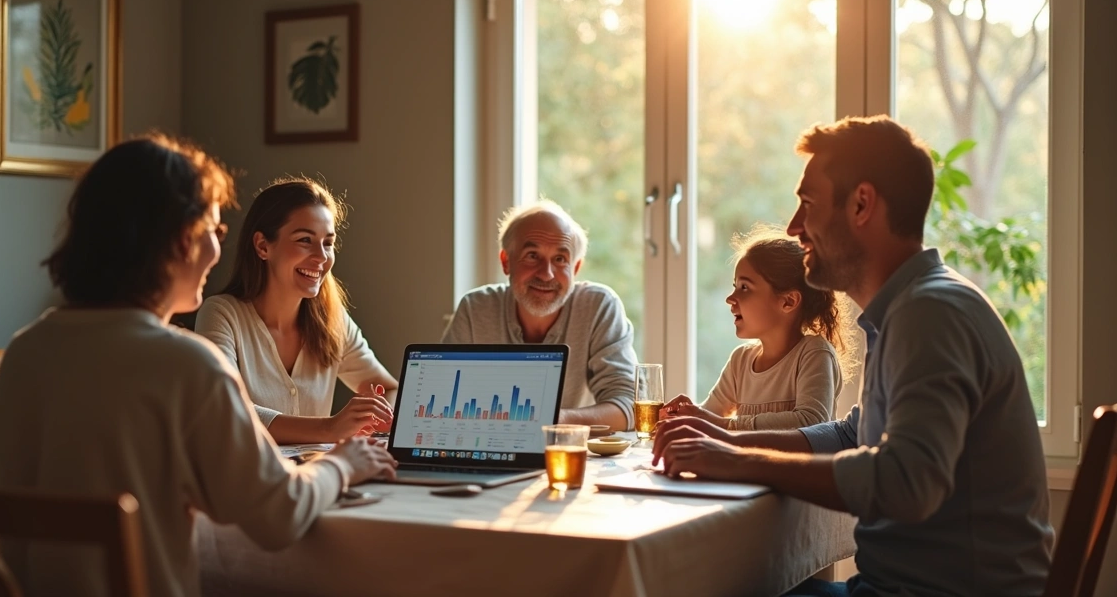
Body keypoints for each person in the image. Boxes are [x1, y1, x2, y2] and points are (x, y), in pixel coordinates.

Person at [652, 116, 1053, 596]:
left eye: (808, 204)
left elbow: (907, 482)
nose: (794, 227)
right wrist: (726, 440)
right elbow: (849, 433)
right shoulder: (912, 310)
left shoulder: (930, 315)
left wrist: (737, 461)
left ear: (862, 204)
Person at [0, 135, 397, 596]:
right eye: (213, 232)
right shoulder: (186, 365)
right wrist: (342, 464)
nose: (217, 251)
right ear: (182, 240)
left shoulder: (27, 350)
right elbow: (278, 517)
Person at [195, 177, 397, 445]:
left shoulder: (332, 319)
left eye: (328, 243)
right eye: (305, 240)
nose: (322, 257)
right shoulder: (221, 314)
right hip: (252, 483)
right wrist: (330, 429)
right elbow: (227, 410)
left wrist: (372, 424)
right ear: (263, 246)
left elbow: (389, 388)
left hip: (323, 478)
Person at [441, 200, 636, 430]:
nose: (546, 274)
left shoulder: (599, 306)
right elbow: (441, 401)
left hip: (572, 457)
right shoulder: (475, 309)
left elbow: (627, 406)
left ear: (575, 268)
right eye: (532, 255)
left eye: (560, 259)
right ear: (506, 262)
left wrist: (554, 421)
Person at [660, 225, 847, 430]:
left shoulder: (813, 353)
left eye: (745, 287)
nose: (730, 299)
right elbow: (710, 416)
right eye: (735, 287)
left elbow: (811, 422)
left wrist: (717, 422)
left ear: (788, 301)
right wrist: (687, 413)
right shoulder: (741, 360)